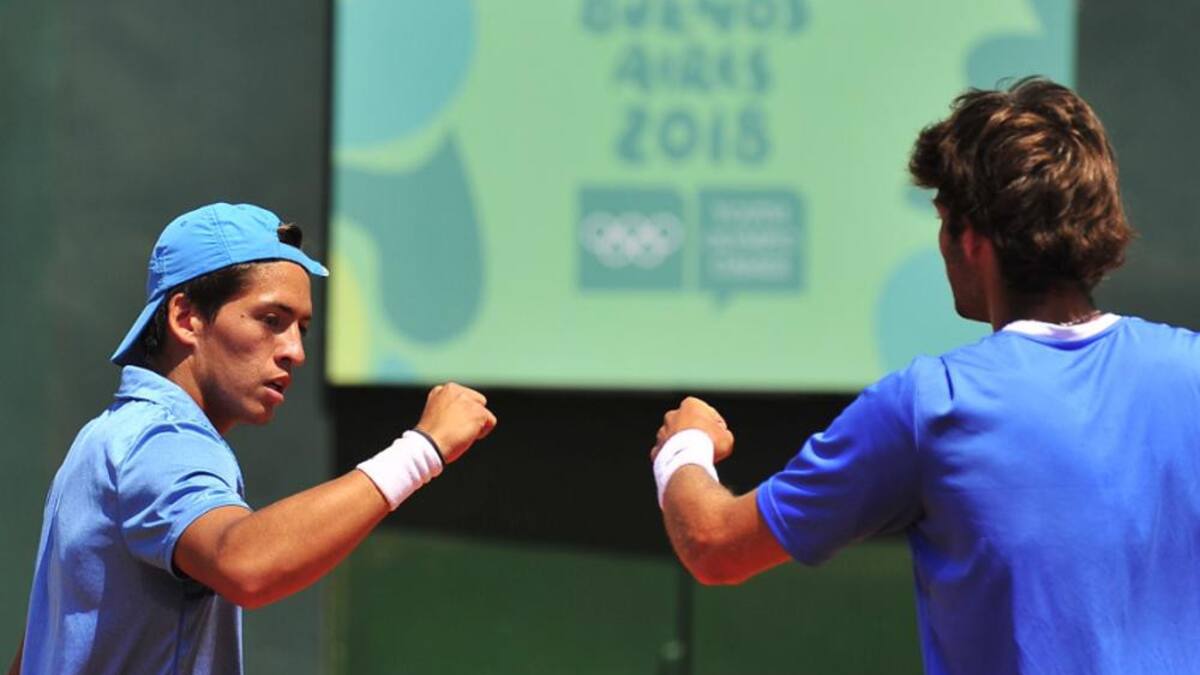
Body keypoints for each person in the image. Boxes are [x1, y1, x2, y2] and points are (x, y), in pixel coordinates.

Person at [649, 77, 1200, 674]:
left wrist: (685, 444)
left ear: (971, 239)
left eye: (943, 221)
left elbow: (713, 546)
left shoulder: (931, 406)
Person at [9, 203, 497, 675]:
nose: (295, 352)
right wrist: (422, 449)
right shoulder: (162, 438)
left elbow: (37, 653)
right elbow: (246, 564)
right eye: (271, 320)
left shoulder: (105, 438)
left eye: (301, 328)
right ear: (186, 318)